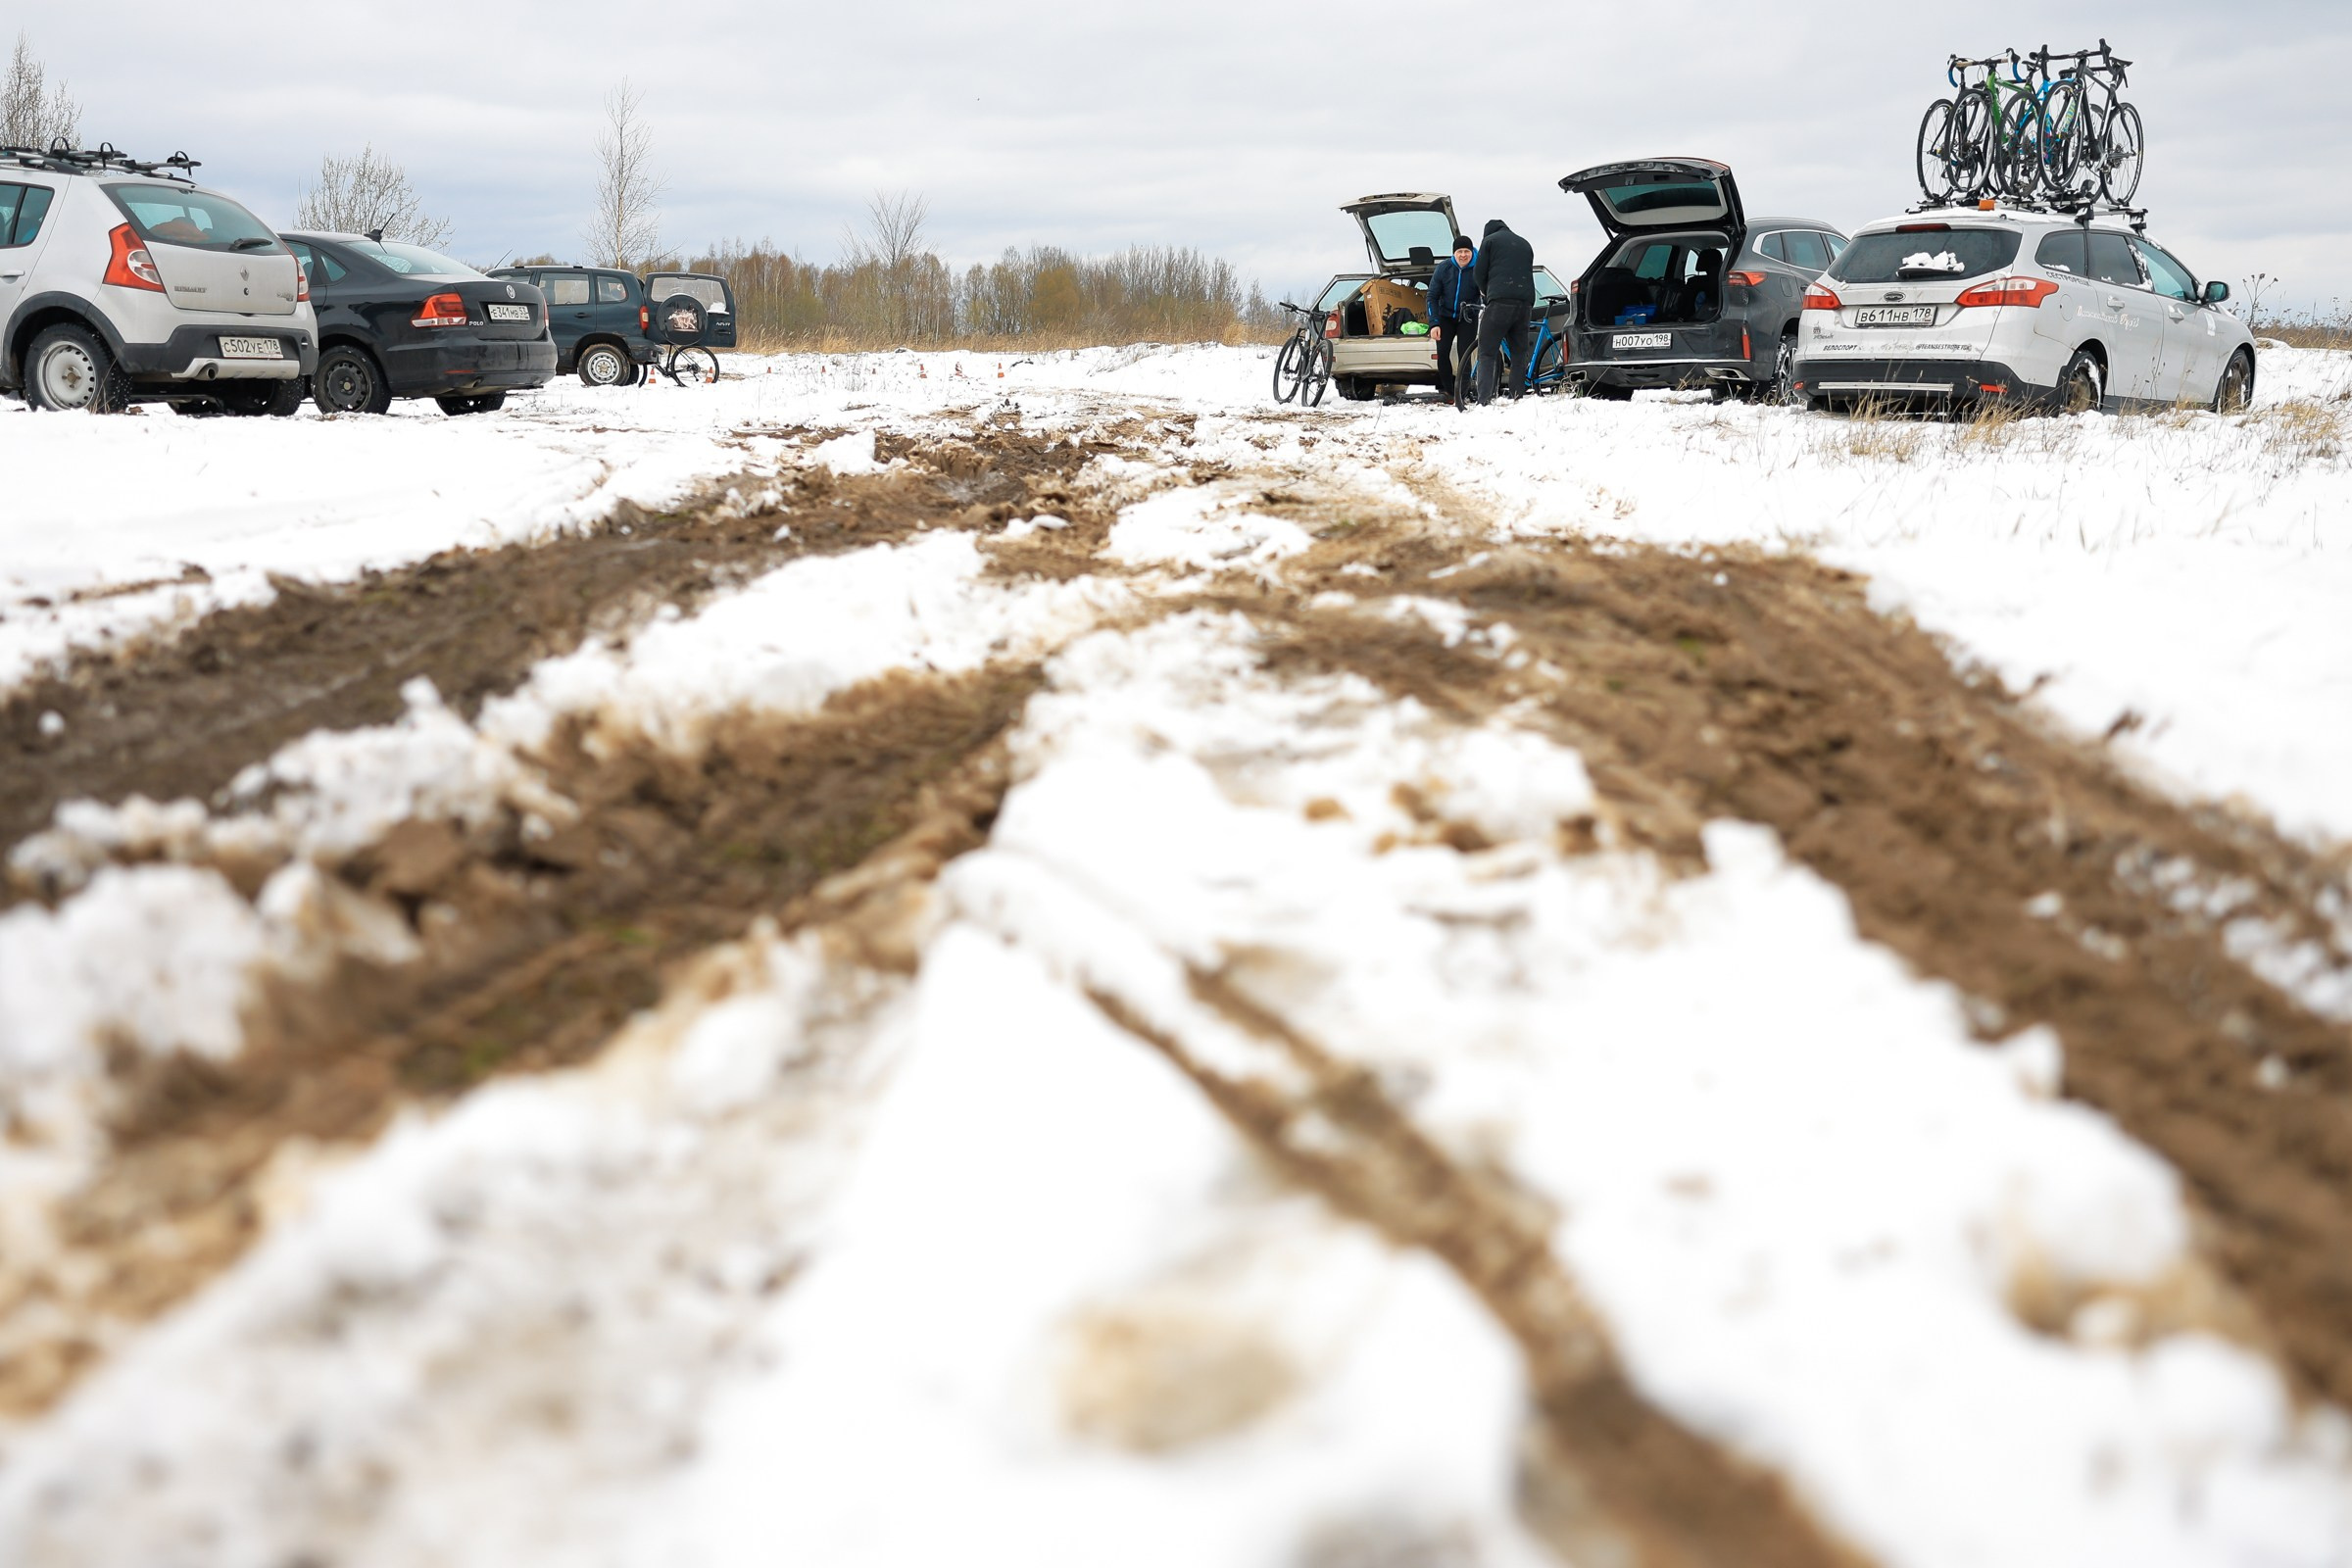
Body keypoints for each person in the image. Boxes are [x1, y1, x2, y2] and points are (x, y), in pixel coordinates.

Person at [1471, 218, 1537, 404]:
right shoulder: (1525, 243)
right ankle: (1517, 397)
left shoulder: (1489, 241)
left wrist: (1486, 293)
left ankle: (1483, 400)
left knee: (1487, 352)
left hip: (1500, 302)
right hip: (1525, 304)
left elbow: (1478, 273)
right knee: (1518, 354)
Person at [1427, 235, 1480, 404]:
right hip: (1445, 317)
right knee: (1442, 353)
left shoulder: (1478, 269)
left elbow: (1485, 293)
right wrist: (1434, 323)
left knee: (1465, 355)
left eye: (1467, 251)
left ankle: (1462, 394)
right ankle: (1450, 391)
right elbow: (1432, 297)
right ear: (1454, 253)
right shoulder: (1444, 268)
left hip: (1467, 317)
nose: (1463, 255)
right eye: (1460, 251)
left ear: (1471, 252)